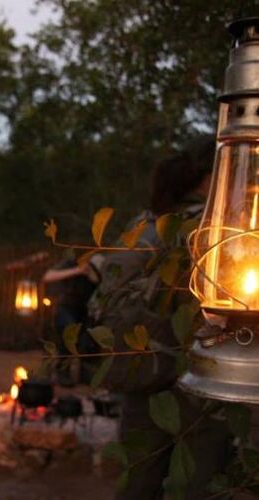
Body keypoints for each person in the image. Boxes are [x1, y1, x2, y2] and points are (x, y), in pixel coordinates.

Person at [88, 137, 232, 499]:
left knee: (138, 480)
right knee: (197, 482)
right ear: (207, 179)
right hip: (197, 376)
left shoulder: (142, 224)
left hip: (141, 369)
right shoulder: (211, 228)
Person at [42, 251, 103, 385]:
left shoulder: (100, 275)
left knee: (88, 341)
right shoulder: (72, 264)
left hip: (85, 311)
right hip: (66, 308)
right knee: (68, 335)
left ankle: (85, 375)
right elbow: (48, 276)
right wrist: (78, 271)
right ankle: (63, 373)